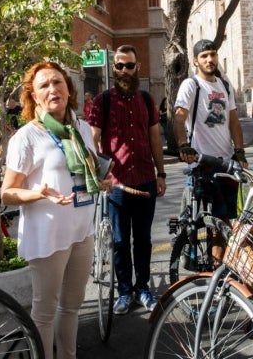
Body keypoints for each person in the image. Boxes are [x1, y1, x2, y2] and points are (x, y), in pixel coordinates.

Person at [1, 61, 111, 359]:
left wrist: (103, 181)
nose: (53, 89)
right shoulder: (27, 137)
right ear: (34, 97)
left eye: (57, 82)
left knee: (72, 307)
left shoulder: (83, 129)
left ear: (68, 87)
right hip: (48, 236)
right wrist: (37, 193)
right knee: (45, 312)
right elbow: (7, 193)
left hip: (81, 231)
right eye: (44, 86)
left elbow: (85, 174)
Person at [87, 44, 166, 315]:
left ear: (137, 68)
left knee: (143, 240)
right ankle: (124, 291)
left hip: (145, 180)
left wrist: (161, 173)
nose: (124, 70)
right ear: (113, 68)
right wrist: (99, 174)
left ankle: (143, 288)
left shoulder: (147, 100)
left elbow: (155, 138)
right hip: (118, 186)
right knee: (120, 242)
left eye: (129, 65)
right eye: (119, 65)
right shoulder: (102, 101)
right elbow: (92, 140)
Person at [173, 39, 248, 259]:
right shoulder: (191, 85)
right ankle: (214, 272)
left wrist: (240, 151)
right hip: (202, 163)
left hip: (226, 163)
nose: (209, 59)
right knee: (216, 220)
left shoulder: (225, 86)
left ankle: (220, 270)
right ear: (195, 61)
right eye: (204, 56)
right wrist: (183, 145)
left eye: (212, 54)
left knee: (225, 221)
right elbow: (179, 118)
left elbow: (234, 121)